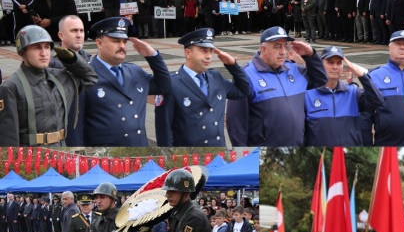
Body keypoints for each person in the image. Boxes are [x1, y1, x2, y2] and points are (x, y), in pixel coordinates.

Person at [226, 26, 327, 146]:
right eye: (277, 47)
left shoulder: (295, 70)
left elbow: (321, 80)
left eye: (285, 46)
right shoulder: (246, 76)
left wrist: (310, 55)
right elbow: (236, 123)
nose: (283, 52)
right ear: (263, 49)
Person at [0, 24, 98, 146]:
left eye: (47, 47)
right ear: (23, 52)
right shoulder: (11, 87)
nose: (44, 53)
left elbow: (91, 78)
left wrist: (72, 60)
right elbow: (8, 138)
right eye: (36, 48)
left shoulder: (62, 78)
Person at [81, 17, 171, 146]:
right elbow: (76, 126)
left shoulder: (134, 71)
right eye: (116, 41)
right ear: (99, 43)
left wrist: (153, 57)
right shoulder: (85, 75)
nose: (122, 46)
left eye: (124, 41)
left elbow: (164, 87)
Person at [156, 29, 253, 147]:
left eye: (210, 51)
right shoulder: (172, 83)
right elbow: (164, 130)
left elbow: (244, 91)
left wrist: (232, 65)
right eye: (203, 51)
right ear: (188, 53)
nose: (208, 56)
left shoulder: (215, 77)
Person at [304, 46, 383, 146]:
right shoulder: (308, 96)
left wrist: (362, 76)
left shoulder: (353, 93)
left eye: (339, 63)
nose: (335, 67)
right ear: (321, 65)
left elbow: (378, 101)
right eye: (330, 62)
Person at [362, 30, 404, 146]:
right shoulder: (375, 76)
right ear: (389, 48)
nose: (402, 47)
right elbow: (365, 117)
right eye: (398, 44)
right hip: (386, 143)